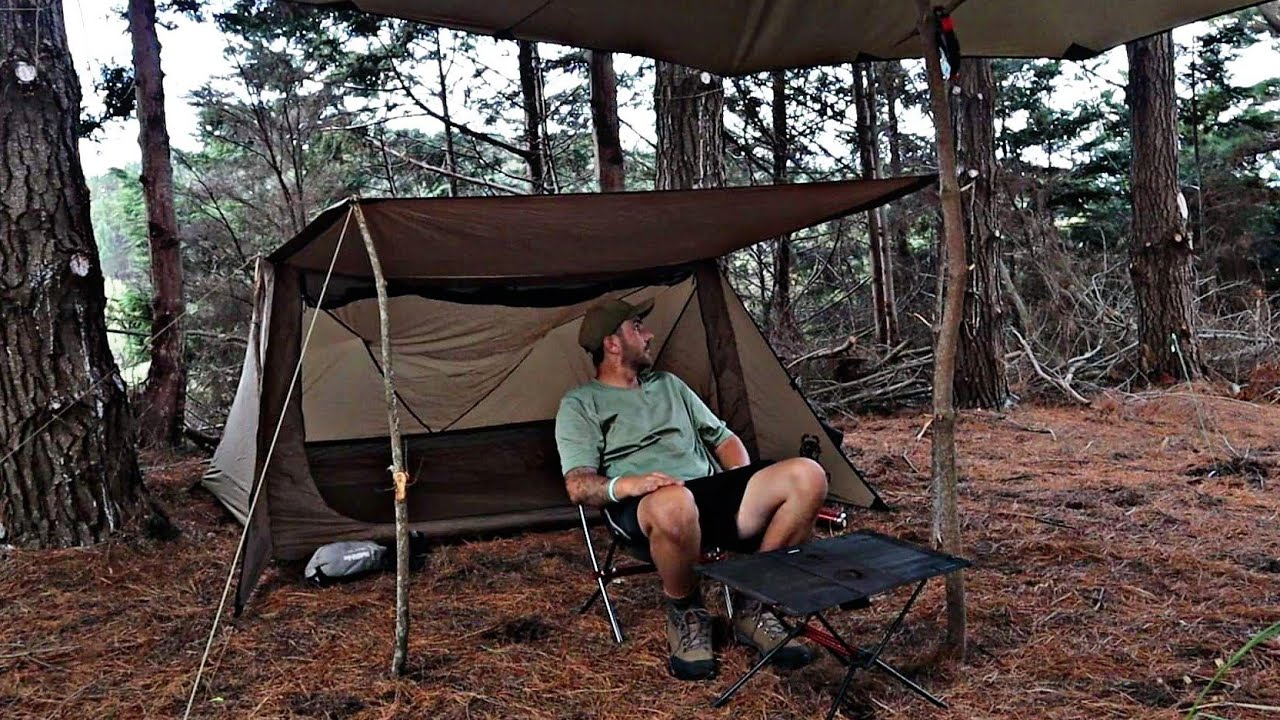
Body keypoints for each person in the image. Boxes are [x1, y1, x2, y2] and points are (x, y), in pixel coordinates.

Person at [555, 297, 829, 680]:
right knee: (675, 503)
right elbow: (578, 485)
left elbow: (724, 438)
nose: (649, 335)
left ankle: (756, 607)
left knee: (808, 474)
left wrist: (741, 479)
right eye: (637, 326)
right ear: (612, 343)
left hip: (709, 493)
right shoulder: (581, 403)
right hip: (647, 508)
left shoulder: (669, 385)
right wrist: (631, 484)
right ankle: (686, 611)